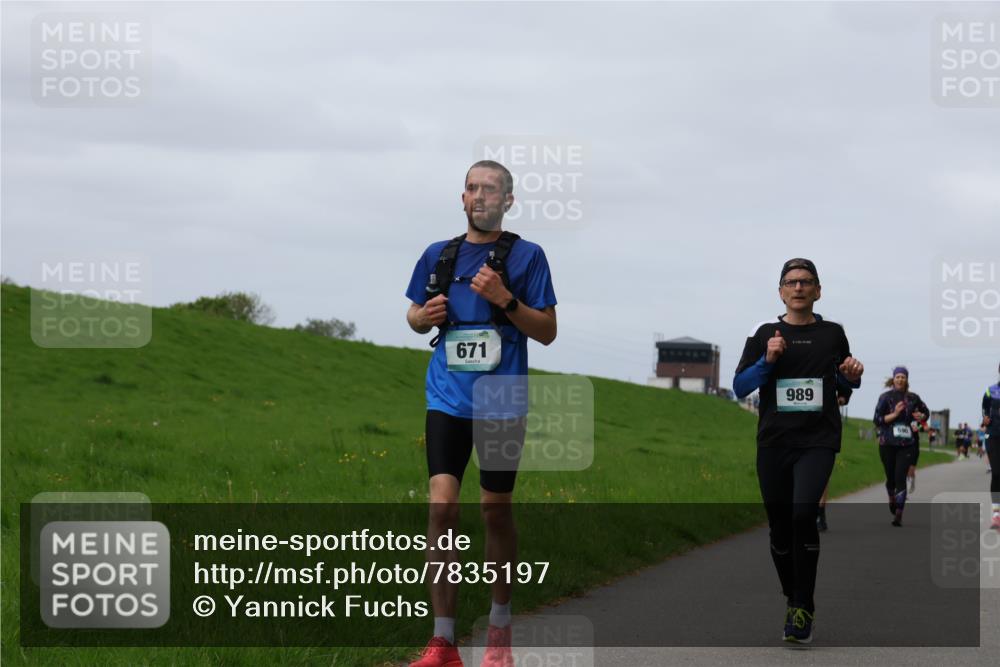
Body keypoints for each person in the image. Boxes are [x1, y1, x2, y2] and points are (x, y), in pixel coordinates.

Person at [405, 160, 557, 667]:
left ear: (508, 201)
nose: (479, 197)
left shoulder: (528, 257)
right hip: (446, 396)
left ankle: (497, 629)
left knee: (495, 509)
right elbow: (412, 312)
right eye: (472, 188)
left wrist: (505, 299)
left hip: (501, 400)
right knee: (442, 507)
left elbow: (547, 331)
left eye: (490, 190)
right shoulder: (438, 254)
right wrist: (420, 316)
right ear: (462, 197)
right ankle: (443, 641)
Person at [734, 258, 863, 644]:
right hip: (774, 442)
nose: (799, 287)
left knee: (804, 513)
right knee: (779, 529)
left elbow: (841, 384)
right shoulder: (763, 333)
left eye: (806, 281)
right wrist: (767, 360)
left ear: (818, 290)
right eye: (791, 282)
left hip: (817, 440)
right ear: (781, 292)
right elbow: (740, 387)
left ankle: (803, 604)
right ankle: (793, 596)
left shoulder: (832, 334)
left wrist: (850, 376)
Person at [872, 367, 929, 527]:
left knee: (900, 477)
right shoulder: (885, 397)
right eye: (897, 376)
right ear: (893, 379)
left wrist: (921, 416)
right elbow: (877, 420)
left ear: (906, 379)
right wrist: (895, 414)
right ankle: (892, 499)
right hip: (887, 443)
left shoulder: (913, 398)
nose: (900, 379)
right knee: (891, 478)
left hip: (907, 444)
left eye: (903, 377)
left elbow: (926, 413)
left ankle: (899, 514)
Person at [982, 365, 1000, 530]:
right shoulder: (991, 391)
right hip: (994, 435)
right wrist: (985, 418)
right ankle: (996, 514)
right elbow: (984, 408)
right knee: (996, 472)